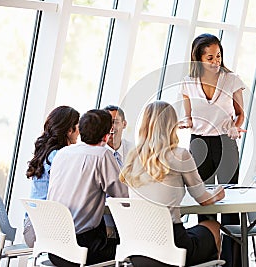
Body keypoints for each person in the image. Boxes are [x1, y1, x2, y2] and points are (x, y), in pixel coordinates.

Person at [120, 101, 225, 267]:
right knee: (213, 226)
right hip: (172, 247)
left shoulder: (132, 157)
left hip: (139, 249)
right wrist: (218, 193)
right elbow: (203, 199)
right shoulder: (180, 154)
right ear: (171, 125)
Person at [179, 33, 246, 267]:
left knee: (230, 202)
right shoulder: (188, 82)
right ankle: (209, 260)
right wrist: (186, 122)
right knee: (203, 202)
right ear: (198, 58)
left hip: (226, 142)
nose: (216, 61)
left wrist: (236, 129)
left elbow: (241, 114)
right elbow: (188, 117)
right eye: (210, 57)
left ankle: (232, 262)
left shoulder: (231, 79)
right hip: (199, 144)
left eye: (218, 56)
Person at [47, 109, 129, 266]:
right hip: (82, 248)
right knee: (135, 249)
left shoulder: (63, 153)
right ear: (107, 134)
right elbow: (124, 196)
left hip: (54, 247)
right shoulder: (102, 155)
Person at [23, 105, 80, 248]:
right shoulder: (58, 156)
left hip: (31, 226)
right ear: (69, 130)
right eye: (78, 127)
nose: (79, 132)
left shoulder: (47, 153)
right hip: (42, 231)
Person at [103, 105, 134, 238]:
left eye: (115, 122)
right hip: (105, 215)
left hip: (132, 210)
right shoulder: (98, 154)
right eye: (107, 123)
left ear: (124, 124)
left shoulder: (135, 151)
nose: (111, 127)